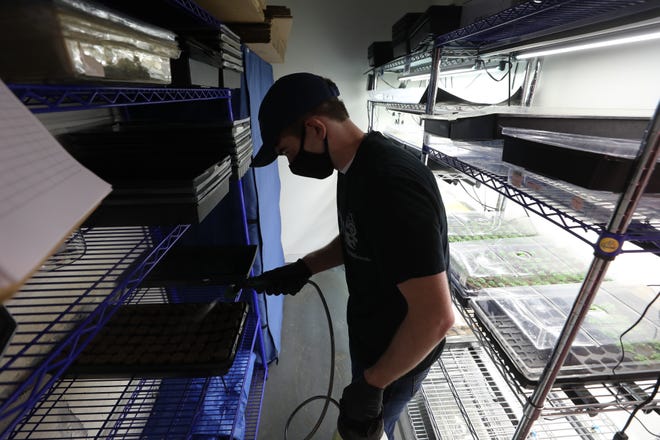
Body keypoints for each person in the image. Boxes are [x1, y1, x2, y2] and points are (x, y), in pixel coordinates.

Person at [246, 72, 454, 440]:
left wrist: (373, 385)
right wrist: (303, 267)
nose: (291, 164)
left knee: (365, 432)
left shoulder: (392, 183)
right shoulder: (354, 166)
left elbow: (435, 317)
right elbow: (361, 236)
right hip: (373, 342)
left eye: (286, 151)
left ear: (315, 129)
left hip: (399, 356)